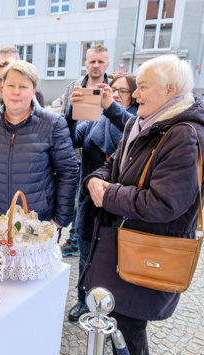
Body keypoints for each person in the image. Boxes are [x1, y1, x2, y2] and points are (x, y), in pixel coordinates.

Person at [80, 55, 204, 355]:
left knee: (127, 331)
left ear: (170, 90)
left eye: (142, 86)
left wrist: (108, 194)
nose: (135, 94)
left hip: (142, 254)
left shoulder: (184, 135)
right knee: (120, 327)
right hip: (119, 248)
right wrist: (95, 181)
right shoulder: (139, 123)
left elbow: (164, 203)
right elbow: (112, 165)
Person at [65, 73, 139, 322]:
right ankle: (82, 301)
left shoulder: (139, 121)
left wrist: (110, 107)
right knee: (86, 256)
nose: (116, 94)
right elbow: (71, 137)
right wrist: (72, 111)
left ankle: (111, 310)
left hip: (120, 209)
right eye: (113, 89)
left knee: (114, 264)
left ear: (135, 94)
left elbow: (131, 132)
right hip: (89, 203)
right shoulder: (97, 119)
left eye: (123, 91)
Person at [0, 60, 78, 225]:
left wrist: (60, 220)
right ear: (2, 88)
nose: (16, 92)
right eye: (10, 85)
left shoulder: (53, 124)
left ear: (34, 90)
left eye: (23, 87)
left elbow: (67, 173)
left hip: (36, 219)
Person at [60, 44, 110, 257]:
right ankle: (72, 240)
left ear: (107, 63)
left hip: (99, 158)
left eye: (100, 61)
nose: (96, 66)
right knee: (69, 199)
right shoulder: (74, 87)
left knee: (87, 202)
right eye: (92, 61)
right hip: (74, 153)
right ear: (86, 63)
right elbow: (64, 121)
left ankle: (80, 241)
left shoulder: (113, 87)